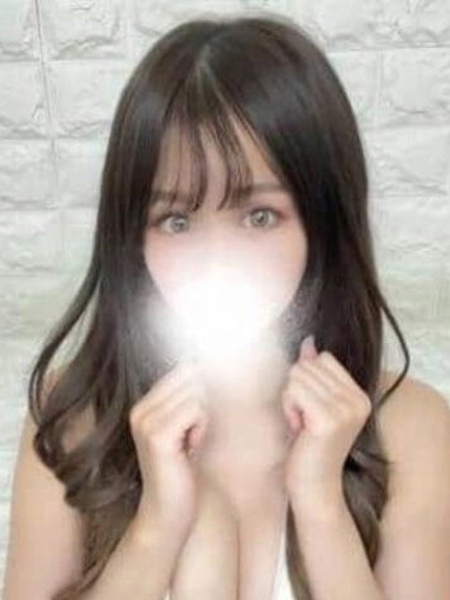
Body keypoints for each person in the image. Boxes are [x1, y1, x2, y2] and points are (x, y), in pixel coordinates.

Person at [3, 11, 450, 600]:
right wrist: (158, 528)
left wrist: (321, 505)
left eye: (259, 216)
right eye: (176, 220)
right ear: (133, 238)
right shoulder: (73, 415)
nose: (217, 260)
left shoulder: (410, 425)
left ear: (321, 221)